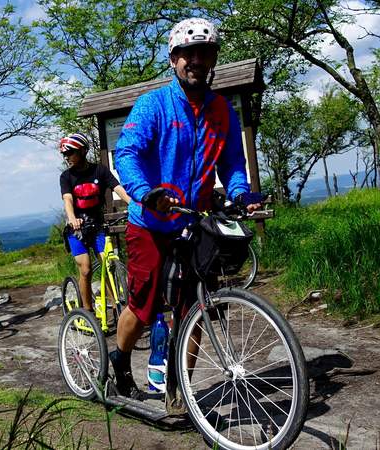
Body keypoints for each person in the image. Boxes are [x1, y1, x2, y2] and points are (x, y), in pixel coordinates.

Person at [112, 18, 261, 398]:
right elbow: (127, 153)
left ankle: (181, 386)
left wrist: (241, 194)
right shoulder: (153, 105)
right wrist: (147, 192)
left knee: (195, 307)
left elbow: (231, 164)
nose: (196, 60)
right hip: (150, 221)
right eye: (188, 53)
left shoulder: (222, 110)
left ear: (212, 59)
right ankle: (120, 360)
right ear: (174, 59)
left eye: (205, 53)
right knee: (144, 308)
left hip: (195, 222)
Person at [59, 132, 131, 312]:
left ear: (83, 151)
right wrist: (72, 218)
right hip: (77, 230)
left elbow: (118, 188)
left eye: (70, 153)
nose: (67, 157)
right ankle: (88, 311)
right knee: (86, 269)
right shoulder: (66, 177)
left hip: (97, 227)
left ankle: (117, 308)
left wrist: (134, 204)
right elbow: (67, 199)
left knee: (107, 266)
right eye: (64, 154)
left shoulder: (100, 171)